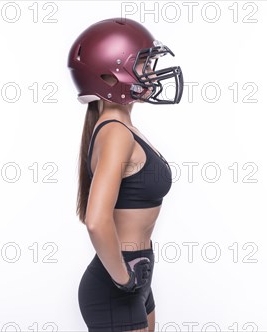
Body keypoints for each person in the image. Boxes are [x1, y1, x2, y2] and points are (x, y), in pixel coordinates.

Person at [67, 17, 184, 331]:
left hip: (137, 279)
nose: (151, 73)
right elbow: (96, 219)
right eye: (144, 64)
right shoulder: (115, 133)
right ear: (110, 73)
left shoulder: (124, 128)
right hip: (117, 284)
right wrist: (122, 279)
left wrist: (135, 282)